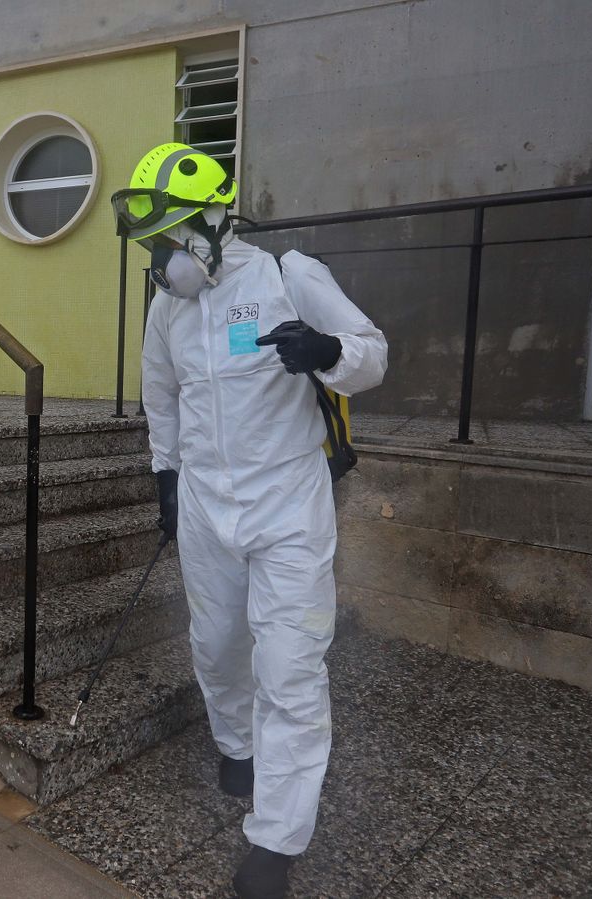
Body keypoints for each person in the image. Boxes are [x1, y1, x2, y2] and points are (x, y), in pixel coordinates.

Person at [116, 143, 388, 898]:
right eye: (154, 242)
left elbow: (373, 354)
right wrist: (164, 479)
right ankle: (235, 741)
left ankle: (276, 836)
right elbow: (162, 399)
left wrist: (327, 350)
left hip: (287, 500)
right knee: (216, 640)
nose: (162, 253)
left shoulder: (287, 276)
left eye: (171, 236)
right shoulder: (168, 309)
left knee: (291, 665)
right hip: (205, 500)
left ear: (211, 220)